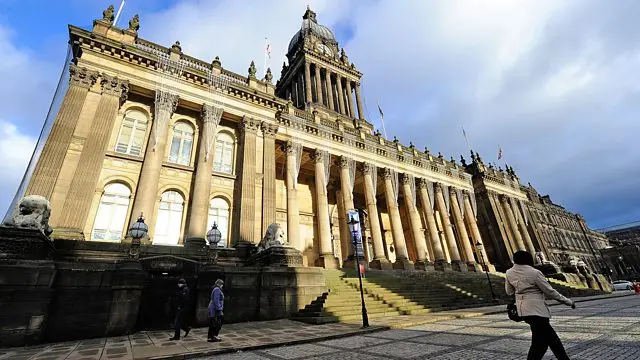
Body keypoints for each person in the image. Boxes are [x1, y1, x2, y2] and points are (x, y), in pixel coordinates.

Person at [506, 251, 575, 360]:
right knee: (542, 343)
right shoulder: (534, 272)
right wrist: (568, 302)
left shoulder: (509, 273)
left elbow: (509, 291)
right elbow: (550, 292)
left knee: (550, 340)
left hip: (524, 310)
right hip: (537, 310)